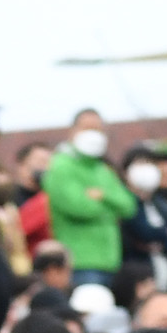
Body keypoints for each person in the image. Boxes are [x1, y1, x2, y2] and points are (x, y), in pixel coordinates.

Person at [40, 114, 128, 287]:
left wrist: (102, 196)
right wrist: (110, 208)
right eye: (87, 128)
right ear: (72, 131)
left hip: (111, 262)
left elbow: (128, 206)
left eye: (97, 129)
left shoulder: (103, 169)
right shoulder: (60, 165)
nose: (93, 134)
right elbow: (80, 207)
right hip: (79, 264)